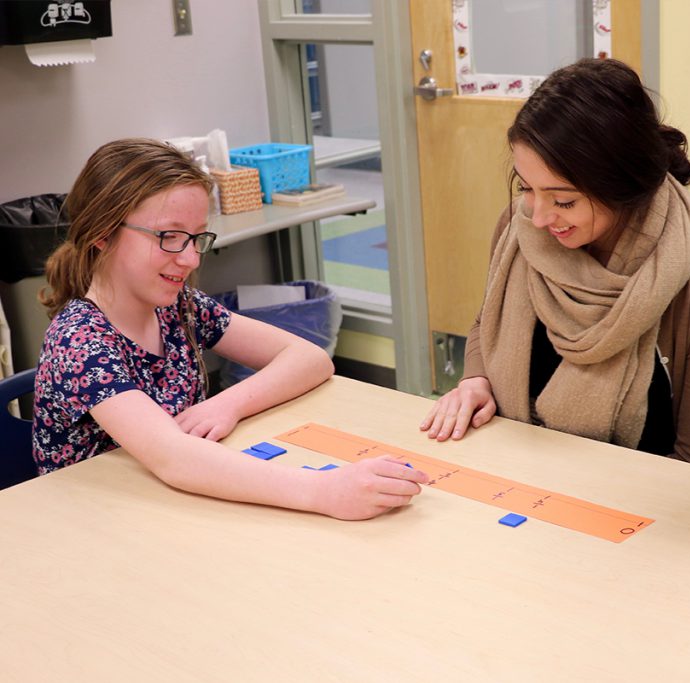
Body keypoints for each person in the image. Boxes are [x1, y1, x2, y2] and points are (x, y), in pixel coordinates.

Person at [32, 138, 427, 520]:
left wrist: (226, 404)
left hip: (171, 507)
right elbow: (172, 457)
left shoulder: (179, 307)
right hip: (95, 524)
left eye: (196, 237)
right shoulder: (80, 341)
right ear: (102, 233)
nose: (189, 258)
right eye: (169, 237)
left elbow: (310, 358)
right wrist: (323, 491)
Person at [420, 59, 690, 469]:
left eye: (564, 201)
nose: (538, 218)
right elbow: (488, 323)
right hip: (511, 469)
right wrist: (475, 380)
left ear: (621, 186)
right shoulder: (518, 229)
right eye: (527, 188)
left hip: (634, 505)